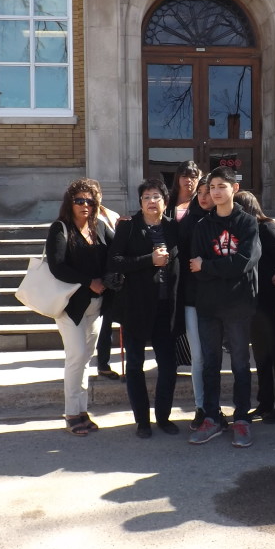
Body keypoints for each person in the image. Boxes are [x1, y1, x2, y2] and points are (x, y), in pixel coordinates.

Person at [188, 165, 260, 448]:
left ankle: (241, 418)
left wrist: (208, 265)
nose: (216, 192)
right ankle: (212, 417)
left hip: (239, 306)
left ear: (235, 189)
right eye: (212, 187)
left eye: (221, 186)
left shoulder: (247, 223)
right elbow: (195, 266)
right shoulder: (202, 226)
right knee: (210, 364)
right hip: (209, 306)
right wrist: (211, 267)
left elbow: (244, 262)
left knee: (241, 364)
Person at [108, 178, 181, 438]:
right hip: (135, 307)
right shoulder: (129, 228)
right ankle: (142, 421)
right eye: (147, 197)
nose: (152, 201)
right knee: (136, 366)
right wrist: (148, 260)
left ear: (165, 201)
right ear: (141, 202)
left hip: (165, 307)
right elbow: (115, 261)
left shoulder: (174, 228)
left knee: (168, 365)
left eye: (156, 197)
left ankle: (163, 416)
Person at [48, 178, 114, 436]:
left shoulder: (99, 227)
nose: (84, 205)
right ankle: (71, 413)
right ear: (70, 202)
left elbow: (117, 248)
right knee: (76, 357)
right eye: (79, 200)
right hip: (70, 306)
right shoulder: (60, 228)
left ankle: (82, 410)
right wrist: (90, 282)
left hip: (96, 306)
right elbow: (57, 266)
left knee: (85, 358)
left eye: (90, 200)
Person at [235, 190, 275, 423]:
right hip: (256, 308)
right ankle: (265, 403)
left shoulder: (268, 228)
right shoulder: (243, 233)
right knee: (262, 358)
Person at [177, 173, 215, 428]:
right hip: (192, 298)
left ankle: (216, 407)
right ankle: (201, 406)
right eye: (199, 192)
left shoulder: (225, 220)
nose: (202, 197)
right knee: (199, 356)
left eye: (207, 192)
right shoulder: (187, 222)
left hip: (219, 299)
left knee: (215, 356)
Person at [94, 193, 122, 380]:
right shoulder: (86, 219)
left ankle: (104, 363)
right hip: (96, 278)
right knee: (103, 324)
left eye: (95, 195)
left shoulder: (110, 214)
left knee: (109, 322)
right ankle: (102, 363)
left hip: (113, 278)